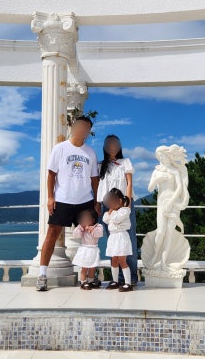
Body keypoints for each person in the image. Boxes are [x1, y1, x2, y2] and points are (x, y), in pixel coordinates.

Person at [37, 115, 100, 291]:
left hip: (85, 200)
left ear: (88, 131)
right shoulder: (60, 148)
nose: (82, 130)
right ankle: (42, 275)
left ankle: (88, 277)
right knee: (51, 236)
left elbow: (94, 179)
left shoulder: (90, 152)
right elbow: (51, 174)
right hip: (63, 199)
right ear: (73, 126)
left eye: (86, 128)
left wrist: (97, 201)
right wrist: (50, 198)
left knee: (90, 238)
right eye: (79, 126)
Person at [95, 134, 138, 286]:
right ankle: (117, 279)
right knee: (113, 240)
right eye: (109, 144)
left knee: (128, 239)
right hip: (106, 205)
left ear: (119, 146)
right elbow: (98, 186)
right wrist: (97, 203)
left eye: (115, 143)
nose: (112, 146)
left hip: (124, 203)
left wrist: (127, 202)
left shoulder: (125, 162)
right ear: (105, 147)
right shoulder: (100, 165)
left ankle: (131, 278)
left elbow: (129, 182)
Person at [103, 188, 134, 292]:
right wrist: (111, 210)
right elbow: (105, 219)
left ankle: (128, 283)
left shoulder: (125, 210)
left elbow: (116, 220)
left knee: (122, 260)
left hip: (121, 237)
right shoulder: (112, 211)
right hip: (113, 238)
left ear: (119, 201)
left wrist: (112, 211)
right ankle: (115, 281)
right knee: (114, 260)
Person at [71, 209, 104, 290]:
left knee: (93, 267)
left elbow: (99, 234)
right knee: (84, 267)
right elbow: (76, 235)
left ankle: (91, 281)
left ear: (93, 219)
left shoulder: (98, 227)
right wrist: (80, 228)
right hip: (85, 249)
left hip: (93, 249)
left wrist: (90, 229)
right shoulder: (81, 227)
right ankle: (83, 282)